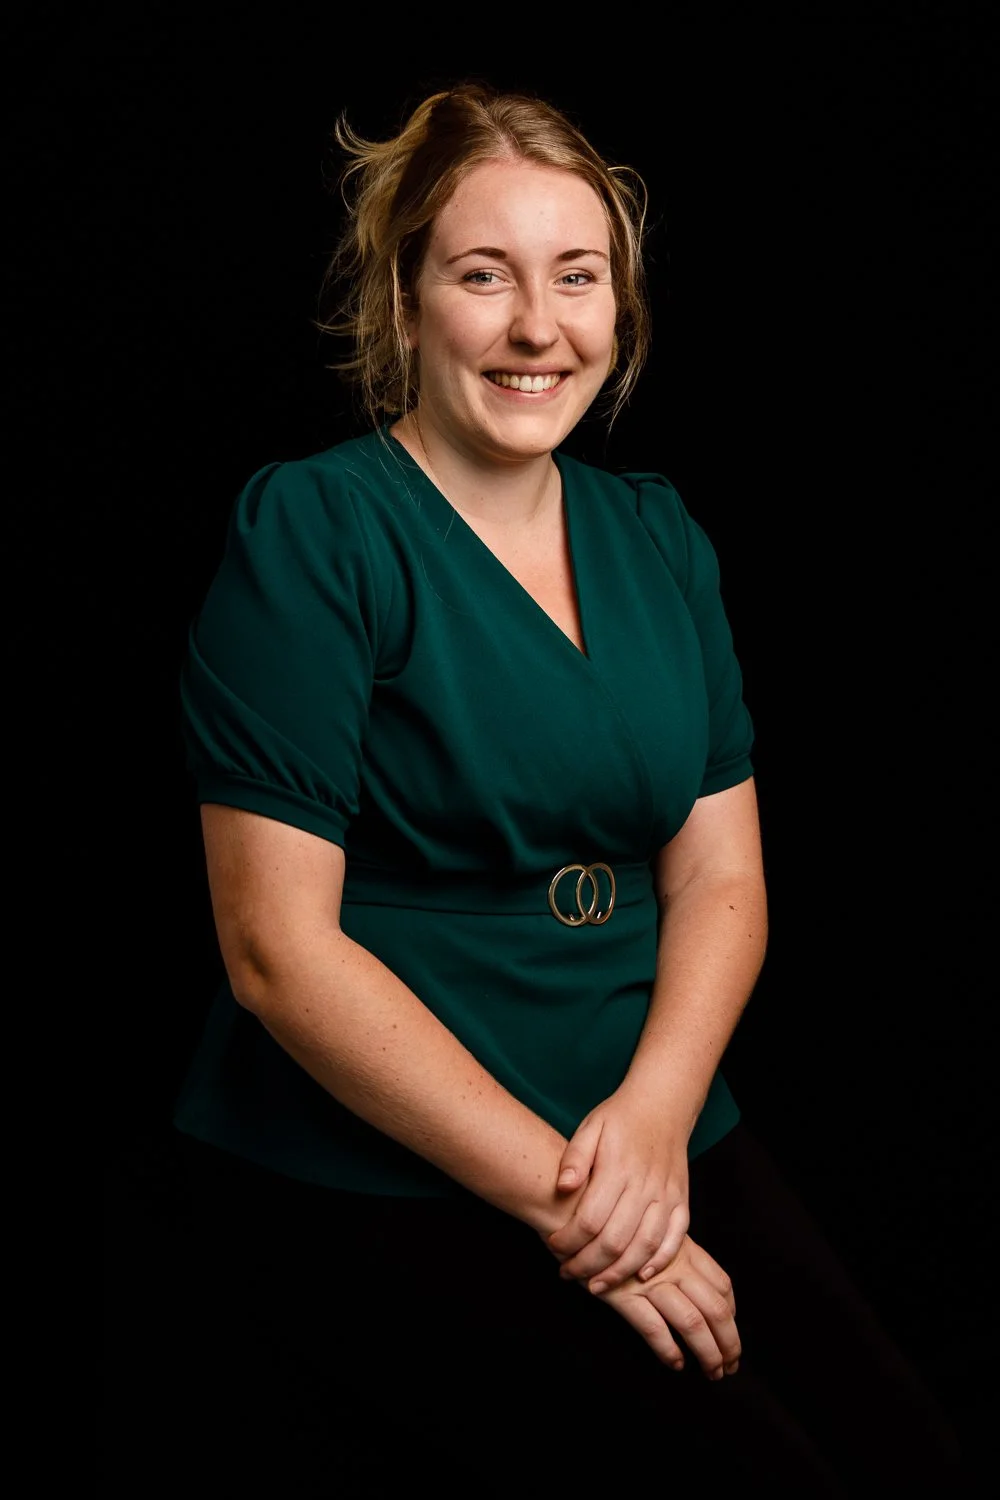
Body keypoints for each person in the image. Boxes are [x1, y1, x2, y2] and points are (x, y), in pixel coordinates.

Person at [168, 82, 970, 1494]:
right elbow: (274, 952)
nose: (539, 326)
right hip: (394, 1148)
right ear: (405, 301)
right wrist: (580, 1209)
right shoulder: (318, 528)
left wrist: (654, 1119)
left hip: (641, 1105)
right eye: (485, 275)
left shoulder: (658, 534)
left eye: (577, 277)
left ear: (618, 306)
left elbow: (721, 876)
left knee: (907, 1448)